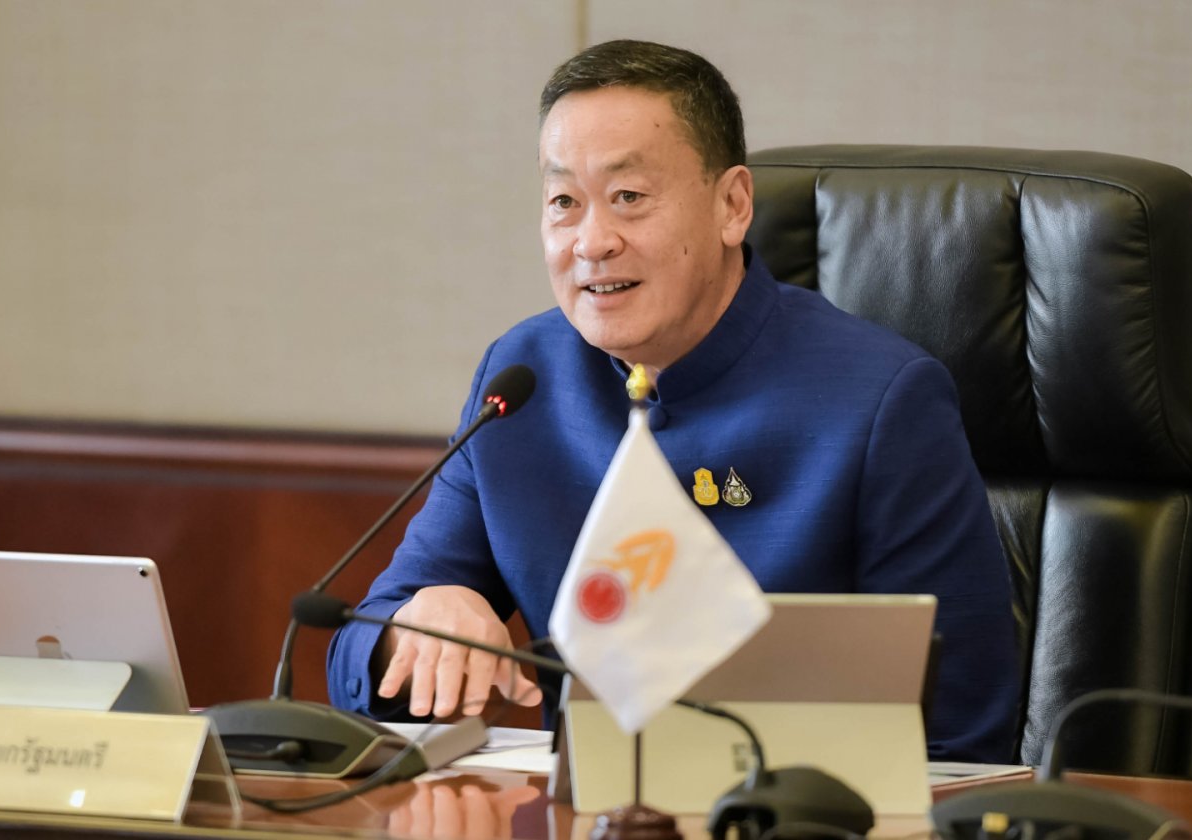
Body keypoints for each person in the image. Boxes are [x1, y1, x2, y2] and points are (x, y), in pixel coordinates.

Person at [327, 39, 1019, 762]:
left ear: (732, 206)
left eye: (628, 197)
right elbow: (355, 654)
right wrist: (418, 625)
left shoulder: (880, 400)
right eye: (564, 202)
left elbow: (961, 740)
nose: (592, 242)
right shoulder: (521, 380)